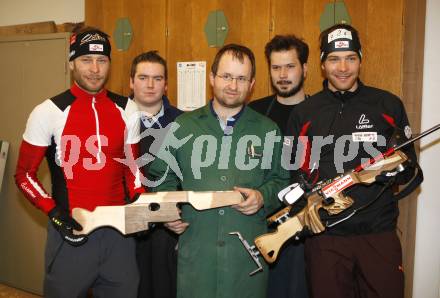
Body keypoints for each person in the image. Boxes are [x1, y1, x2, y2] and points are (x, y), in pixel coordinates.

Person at [286, 24, 422, 298]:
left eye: (351, 58)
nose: (343, 67)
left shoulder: (388, 105)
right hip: (326, 238)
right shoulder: (304, 113)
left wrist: (396, 171)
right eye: (334, 59)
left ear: (360, 59)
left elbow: (411, 172)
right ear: (323, 64)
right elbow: (292, 172)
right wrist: (309, 199)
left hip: (378, 234)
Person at [148, 44, 289, 298]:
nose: (233, 85)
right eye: (226, 76)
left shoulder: (268, 130)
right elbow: (160, 176)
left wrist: (262, 197)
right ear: (212, 78)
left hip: (247, 258)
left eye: (241, 78)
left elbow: (281, 180)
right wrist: (168, 210)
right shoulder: (183, 126)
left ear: (252, 83)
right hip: (197, 254)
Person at [15, 27, 144, 298]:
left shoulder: (128, 109)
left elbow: (133, 167)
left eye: (102, 60)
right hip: (71, 234)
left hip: (119, 237)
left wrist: (139, 205)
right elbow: (24, 175)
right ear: (72, 62)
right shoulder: (47, 112)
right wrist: (54, 213)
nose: (95, 69)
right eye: (86, 60)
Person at [249, 34, 309, 298]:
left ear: (305, 69)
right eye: (276, 67)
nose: (283, 74)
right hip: (261, 224)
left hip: (308, 229)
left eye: (290, 66)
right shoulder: (254, 113)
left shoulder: (322, 112)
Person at [129, 51, 182, 298]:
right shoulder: (115, 119)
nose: (150, 85)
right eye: (143, 77)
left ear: (166, 84)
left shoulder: (184, 123)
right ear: (131, 82)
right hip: (126, 225)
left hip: (168, 227)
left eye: (157, 78)